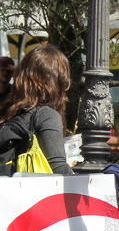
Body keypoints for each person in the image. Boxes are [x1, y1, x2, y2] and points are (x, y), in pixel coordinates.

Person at [0, 46, 74, 175]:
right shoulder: (46, 115)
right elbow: (58, 168)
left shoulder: (8, 111)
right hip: (31, 193)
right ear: (58, 80)